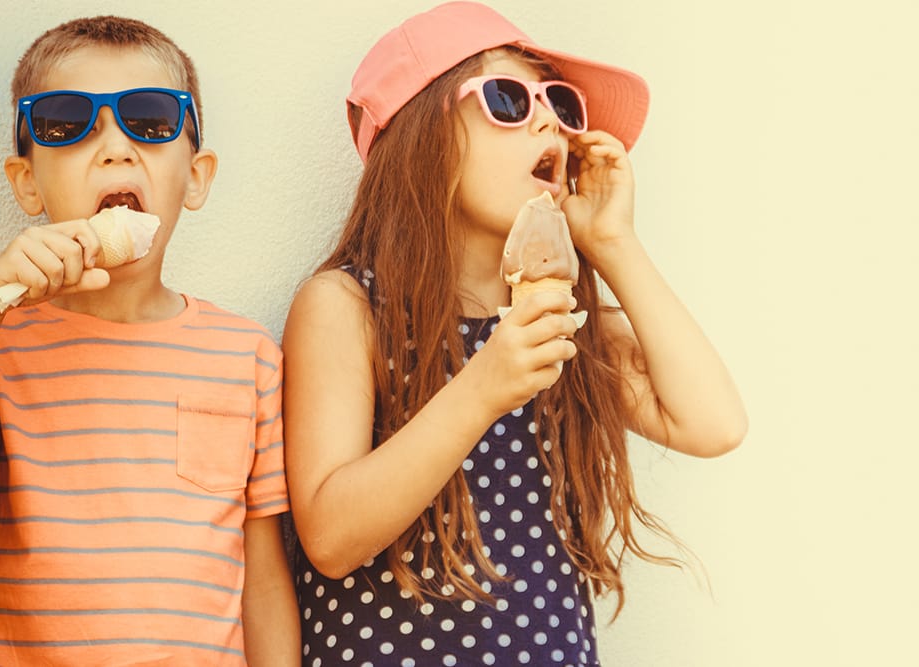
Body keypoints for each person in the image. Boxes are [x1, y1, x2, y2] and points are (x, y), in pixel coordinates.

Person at [282, 2, 748, 665]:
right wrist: (484, 387)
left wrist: (613, 242)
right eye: (508, 98)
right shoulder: (349, 307)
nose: (549, 121)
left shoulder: (564, 326)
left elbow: (715, 422)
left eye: (560, 104)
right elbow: (329, 534)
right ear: (423, 138)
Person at [0, 16, 299, 666]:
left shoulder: (246, 354)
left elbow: (262, 580)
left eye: (150, 120)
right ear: (27, 182)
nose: (116, 147)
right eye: (68, 122)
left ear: (198, 176)